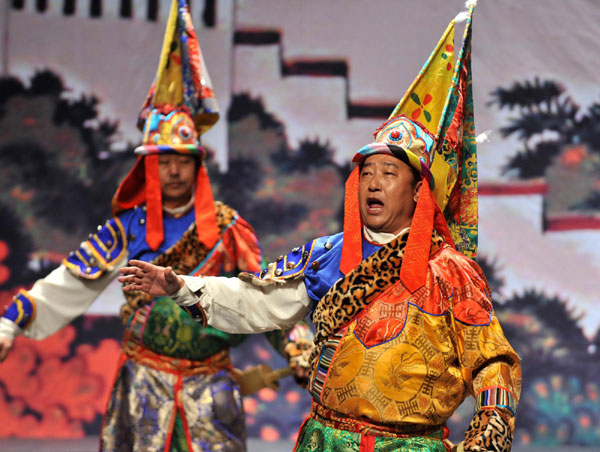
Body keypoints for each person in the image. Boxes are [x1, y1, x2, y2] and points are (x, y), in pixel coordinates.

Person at [118, 7, 522, 451]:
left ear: (417, 192)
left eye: (389, 173)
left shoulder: (450, 272)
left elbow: (493, 362)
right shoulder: (328, 254)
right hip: (324, 440)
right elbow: (258, 303)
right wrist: (181, 287)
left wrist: (487, 436)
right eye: (367, 171)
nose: (373, 182)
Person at [0, 1, 311, 451]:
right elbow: (72, 278)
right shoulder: (128, 227)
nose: (174, 172)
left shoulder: (228, 228)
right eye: (163, 162)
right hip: (142, 385)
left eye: (182, 161)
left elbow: (264, 297)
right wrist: (12, 320)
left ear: (196, 165)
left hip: (212, 387)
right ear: (150, 169)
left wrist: (299, 347)